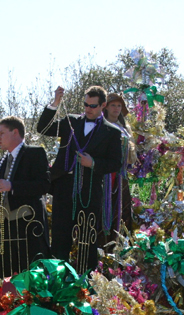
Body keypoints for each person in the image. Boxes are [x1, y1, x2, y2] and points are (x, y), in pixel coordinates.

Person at [36, 85, 123, 273]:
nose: (88, 109)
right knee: (60, 236)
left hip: (90, 190)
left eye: (92, 106)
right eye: (85, 105)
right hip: (64, 187)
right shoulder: (71, 121)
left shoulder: (112, 132)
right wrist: (55, 103)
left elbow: (116, 163)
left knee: (87, 237)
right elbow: (43, 128)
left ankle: (85, 284)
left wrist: (93, 163)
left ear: (103, 106)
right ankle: (57, 279)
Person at [0, 116, 51, 278]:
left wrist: (13, 186)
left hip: (28, 225)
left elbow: (44, 185)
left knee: (30, 272)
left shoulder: (34, 153)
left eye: (1, 133)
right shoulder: (1, 162)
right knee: (6, 274)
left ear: (15, 132)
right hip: (5, 226)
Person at [101, 93, 135, 239]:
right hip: (104, 175)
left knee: (122, 210)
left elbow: (131, 157)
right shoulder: (100, 126)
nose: (116, 108)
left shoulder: (125, 130)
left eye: (119, 106)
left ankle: (119, 245)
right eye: (113, 105)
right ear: (106, 107)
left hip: (121, 176)